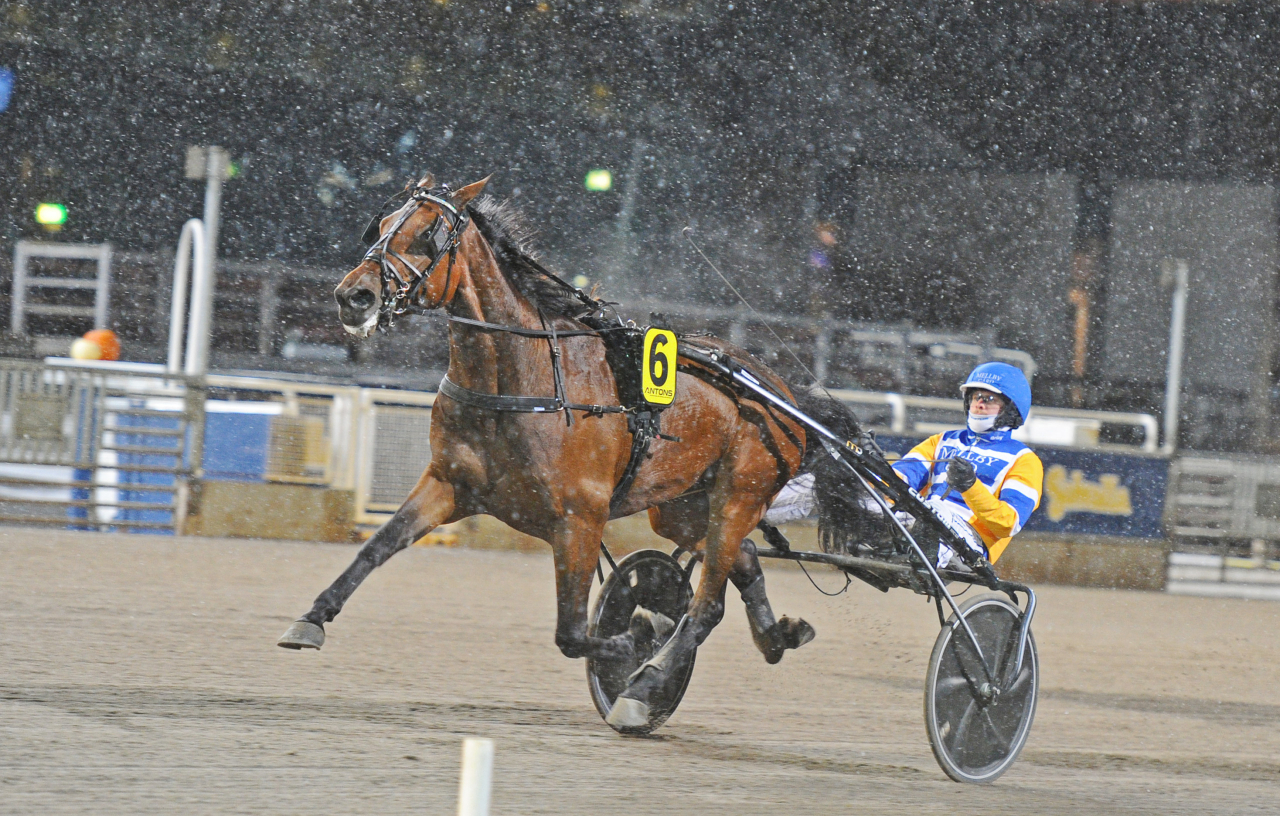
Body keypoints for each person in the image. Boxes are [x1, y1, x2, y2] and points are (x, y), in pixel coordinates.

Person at [765, 362, 1043, 568]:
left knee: (937, 509)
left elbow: (1009, 523)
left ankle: (919, 552)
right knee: (831, 479)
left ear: (1010, 409)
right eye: (975, 397)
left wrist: (971, 487)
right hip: (918, 520)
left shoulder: (1024, 460)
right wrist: (866, 468)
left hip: (967, 544)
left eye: (989, 399)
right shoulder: (942, 440)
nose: (979, 405)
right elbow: (901, 479)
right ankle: (755, 511)